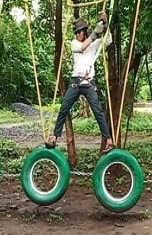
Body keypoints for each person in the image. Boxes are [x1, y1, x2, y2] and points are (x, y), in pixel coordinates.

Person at [47, 12, 114, 154]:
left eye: (79, 32)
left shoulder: (95, 43)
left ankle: (108, 140)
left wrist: (105, 24)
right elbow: (84, 46)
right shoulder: (75, 44)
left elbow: (108, 41)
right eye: (76, 33)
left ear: (84, 32)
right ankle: (55, 137)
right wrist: (96, 30)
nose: (77, 35)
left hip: (89, 84)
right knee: (64, 108)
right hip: (76, 83)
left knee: (98, 112)